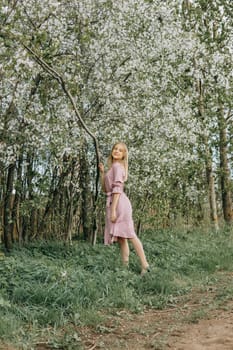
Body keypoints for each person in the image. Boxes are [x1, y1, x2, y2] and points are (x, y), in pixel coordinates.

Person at [99, 142, 150, 275]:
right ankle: (124, 268)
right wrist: (103, 173)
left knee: (130, 234)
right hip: (115, 202)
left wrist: (114, 209)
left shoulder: (117, 166)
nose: (116, 151)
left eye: (120, 150)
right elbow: (105, 189)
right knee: (122, 238)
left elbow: (117, 189)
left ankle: (145, 265)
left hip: (119, 203)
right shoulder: (112, 168)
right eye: (115, 149)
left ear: (123, 155)